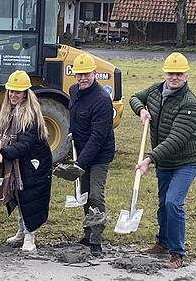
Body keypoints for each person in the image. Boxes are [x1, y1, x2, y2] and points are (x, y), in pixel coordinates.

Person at [129, 52, 196, 269]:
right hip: (165, 161)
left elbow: (176, 139)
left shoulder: (189, 103)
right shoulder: (155, 90)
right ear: (165, 74)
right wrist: (141, 110)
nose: (174, 77)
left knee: (173, 202)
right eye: (171, 73)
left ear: (186, 76)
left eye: (179, 74)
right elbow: (134, 97)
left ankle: (177, 252)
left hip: (186, 161)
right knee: (163, 203)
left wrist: (149, 159)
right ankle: (162, 243)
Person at [0, 70, 52, 252]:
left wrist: (3, 153)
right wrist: (1, 138)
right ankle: (22, 231)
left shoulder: (31, 116)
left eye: (18, 92)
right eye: (11, 91)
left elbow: (25, 145)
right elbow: (4, 133)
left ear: (25, 94)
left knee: (31, 200)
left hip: (35, 164)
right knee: (19, 197)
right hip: (20, 163)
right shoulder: (8, 111)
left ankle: (30, 236)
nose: (13, 95)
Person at [68, 54, 114, 257]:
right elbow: (74, 115)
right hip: (81, 151)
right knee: (84, 194)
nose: (83, 78)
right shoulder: (74, 91)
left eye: (86, 74)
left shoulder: (102, 100)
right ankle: (87, 234)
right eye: (79, 74)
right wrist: (71, 134)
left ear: (94, 73)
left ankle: (96, 240)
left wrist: (79, 163)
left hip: (99, 154)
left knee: (95, 194)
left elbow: (98, 137)